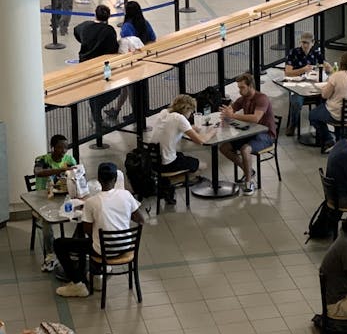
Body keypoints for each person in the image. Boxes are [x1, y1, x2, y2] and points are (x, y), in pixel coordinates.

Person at [53, 162, 143, 298]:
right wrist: (121, 213)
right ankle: (97, 275)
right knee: (91, 241)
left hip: (103, 250)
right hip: (125, 247)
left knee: (60, 244)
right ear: (115, 179)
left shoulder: (91, 202)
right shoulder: (126, 196)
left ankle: (78, 284)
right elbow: (140, 220)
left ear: (99, 179)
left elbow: (87, 230)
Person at [149, 94, 216, 203]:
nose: (191, 115)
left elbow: (173, 130)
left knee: (183, 156)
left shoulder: (164, 113)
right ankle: (169, 183)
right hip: (168, 163)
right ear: (187, 109)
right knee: (203, 166)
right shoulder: (179, 118)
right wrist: (212, 132)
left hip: (154, 160)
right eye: (191, 112)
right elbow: (200, 141)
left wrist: (191, 129)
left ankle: (165, 185)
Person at [219, 73, 276, 195]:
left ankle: (249, 183)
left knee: (245, 149)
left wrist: (232, 115)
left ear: (250, 86)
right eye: (238, 87)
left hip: (266, 134)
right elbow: (231, 110)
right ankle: (248, 170)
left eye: (242, 87)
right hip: (250, 133)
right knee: (224, 147)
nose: (239, 91)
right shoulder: (243, 99)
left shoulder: (262, 98)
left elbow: (256, 118)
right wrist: (227, 112)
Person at [33, 134, 78, 272]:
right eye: (60, 147)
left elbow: (76, 175)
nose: (64, 150)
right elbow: (38, 172)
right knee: (47, 223)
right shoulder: (42, 159)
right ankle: (51, 256)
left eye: (66, 147)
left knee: (84, 217)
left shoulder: (69, 159)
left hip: (64, 198)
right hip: (44, 198)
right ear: (53, 147)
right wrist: (62, 170)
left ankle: (74, 250)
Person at [309, 51, 347, 151]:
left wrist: (325, 88)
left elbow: (324, 95)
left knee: (313, 115)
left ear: (342, 63)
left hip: (336, 115)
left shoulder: (337, 76)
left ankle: (328, 140)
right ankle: (343, 136)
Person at [74, 4, 121, 131]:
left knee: (92, 90)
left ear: (95, 14)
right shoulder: (109, 31)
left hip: (85, 64)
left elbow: (76, 31)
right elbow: (113, 49)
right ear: (108, 16)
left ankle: (96, 113)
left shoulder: (85, 26)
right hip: (105, 66)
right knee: (114, 88)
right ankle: (97, 112)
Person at [283, 31, 328, 136]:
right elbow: (288, 72)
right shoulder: (293, 52)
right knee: (297, 102)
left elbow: (325, 65)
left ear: (313, 42)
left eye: (307, 43)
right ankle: (293, 124)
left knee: (324, 99)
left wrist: (327, 66)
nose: (305, 45)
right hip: (296, 85)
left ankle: (319, 125)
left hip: (312, 84)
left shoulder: (316, 52)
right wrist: (303, 70)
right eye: (303, 42)